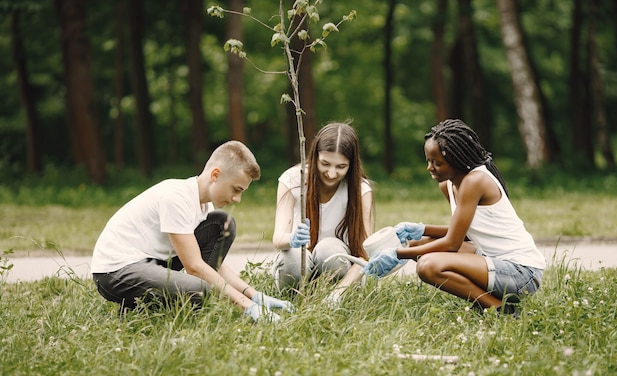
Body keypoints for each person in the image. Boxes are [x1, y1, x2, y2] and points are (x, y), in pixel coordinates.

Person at [91, 141, 294, 322]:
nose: (237, 199)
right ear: (215, 175)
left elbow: (213, 267)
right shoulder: (176, 197)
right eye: (236, 189)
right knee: (199, 290)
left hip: (150, 262)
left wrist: (254, 295)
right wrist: (246, 306)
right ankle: (135, 308)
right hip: (115, 272)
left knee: (222, 224)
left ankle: (139, 307)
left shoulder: (205, 207)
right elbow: (195, 266)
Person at [363, 119, 545, 316]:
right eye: (428, 161)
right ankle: (492, 301)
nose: (430, 168)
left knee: (428, 266)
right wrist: (419, 230)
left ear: (457, 159)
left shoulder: (474, 181)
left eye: (437, 163)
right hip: (493, 262)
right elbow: (465, 234)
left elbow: (452, 243)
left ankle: (498, 309)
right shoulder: (449, 184)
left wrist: (397, 254)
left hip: (521, 273)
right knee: (416, 243)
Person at [271, 122, 374, 303]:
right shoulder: (293, 180)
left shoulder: (360, 190)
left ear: (352, 164)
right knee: (292, 255)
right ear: (314, 156)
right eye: (325, 163)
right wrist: (291, 238)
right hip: (299, 266)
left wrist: (338, 293)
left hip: (340, 272)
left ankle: (332, 297)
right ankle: (291, 300)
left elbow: (365, 255)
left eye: (341, 166)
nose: (332, 174)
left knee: (329, 248)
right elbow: (278, 238)